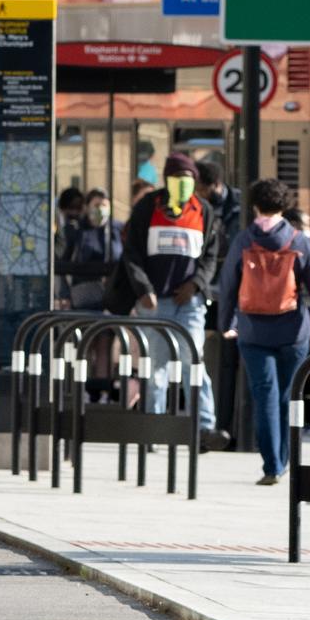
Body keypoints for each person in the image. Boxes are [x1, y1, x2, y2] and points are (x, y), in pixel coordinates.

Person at [217, 180, 310, 485]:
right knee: (289, 397)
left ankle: (272, 465)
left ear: (255, 207)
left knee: (265, 397)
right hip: (293, 332)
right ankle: (286, 459)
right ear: (284, 207)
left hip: (253, 332)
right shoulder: (298, 241)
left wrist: (226, 324)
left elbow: (228, 286)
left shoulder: (244, 240)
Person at [118, 152, 226, 445]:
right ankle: (154, 428)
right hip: (155, 302)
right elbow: (132, 253)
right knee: (157, 369)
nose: (183, 184)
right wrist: (144, 289)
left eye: (189, 179)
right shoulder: (146, 207)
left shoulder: (203, 210)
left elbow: (211, 256)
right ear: (166, 180)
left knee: (195, 364)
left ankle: (204, 428)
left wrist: (196, 284)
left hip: (189, 304)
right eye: (178, 178)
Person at [58, 186, 123, 309]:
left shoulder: (118, 229)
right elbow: (62, 264)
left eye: (104, 205)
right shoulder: (76, 230)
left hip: (114, 298)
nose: (100, 209)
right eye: (96, 204)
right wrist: (64, 295)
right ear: (87, 207)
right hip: (84, 297)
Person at [197, 159, 242, 247]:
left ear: (217, 184)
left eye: (203, 190)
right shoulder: (198, 206)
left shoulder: (241, 202)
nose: (200, 195)